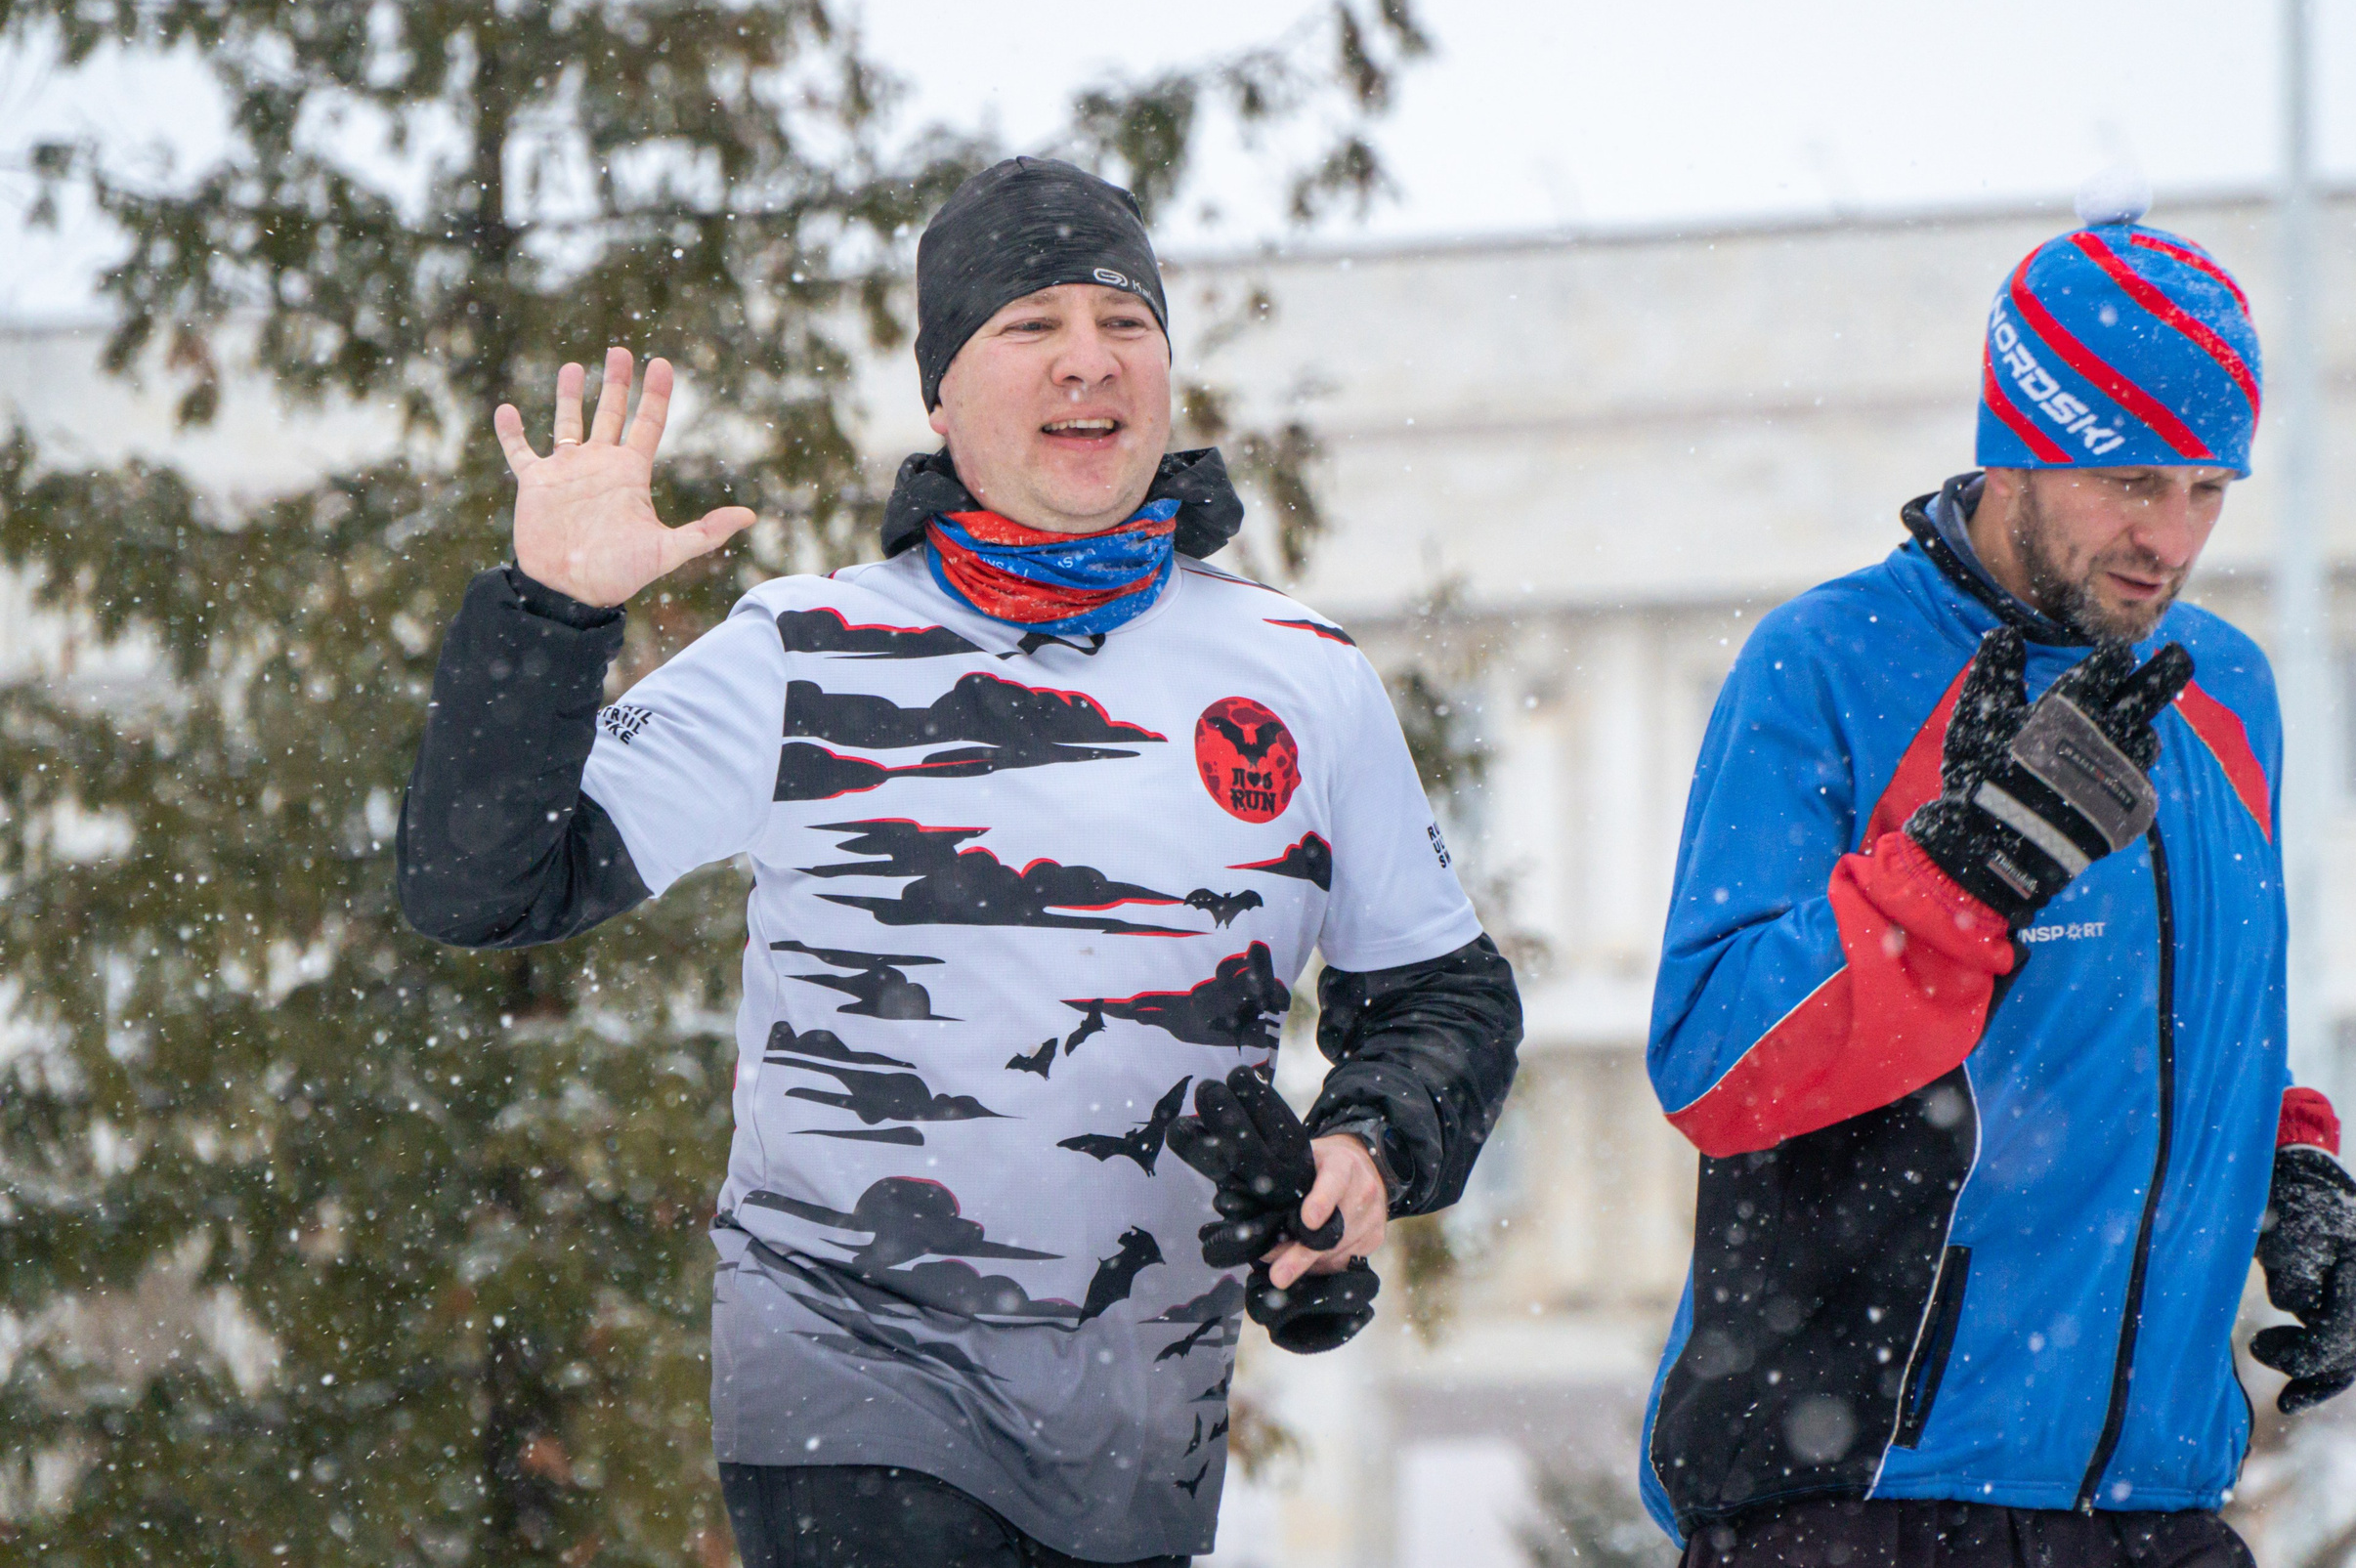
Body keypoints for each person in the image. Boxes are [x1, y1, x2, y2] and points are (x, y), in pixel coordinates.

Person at [398, 156, 1522, 1568]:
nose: (1085, 363)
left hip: (1138, 1444)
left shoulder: (1302, 675)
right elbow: (483, 886)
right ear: (942, 395)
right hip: (848, 1396)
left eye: (1123, 326)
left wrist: (1362, 1150)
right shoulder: (811, 650)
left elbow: (1445, 998)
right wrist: (549, 616)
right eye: (1029, 326)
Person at [1638, 187, 2356, 1567]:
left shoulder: (2225, 692)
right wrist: (1958, 878)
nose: (2172, 537)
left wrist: (2289, 1172)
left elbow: (2207, 1028)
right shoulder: (1827, 668)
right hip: (1863, 1498)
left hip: (2156, 1506)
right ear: (2019, 450)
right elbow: (1714, 1065)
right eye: (2132, 482)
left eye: (2208, 490)